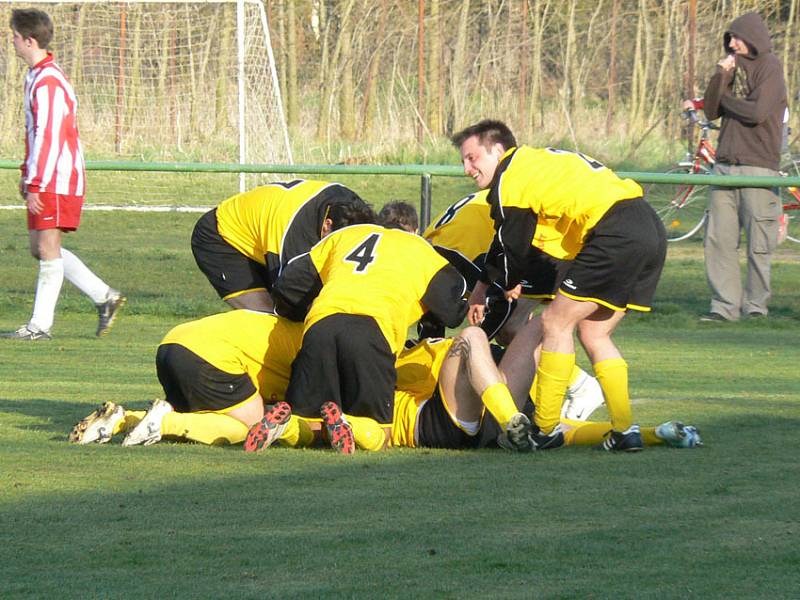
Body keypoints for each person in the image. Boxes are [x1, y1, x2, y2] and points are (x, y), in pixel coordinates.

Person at [453, 119, 666, 452]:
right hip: (647, 225)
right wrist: (486, 285)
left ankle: (545, 428)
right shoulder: (535, 164)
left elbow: (514, 244)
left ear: (498, 149)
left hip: (614, 230)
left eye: (472, 158)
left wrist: (507, 281)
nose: (467, 168)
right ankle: (625, 430)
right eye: (464, 161)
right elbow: (508, 239)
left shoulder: (513, 177)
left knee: (554, 322)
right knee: (594, 334)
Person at [259, 220, 470, 454]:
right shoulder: (419, 248)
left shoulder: (345, 235)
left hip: (321, 325)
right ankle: (349, 424)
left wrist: (300, 312)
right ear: (413, 230)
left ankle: (284, 428)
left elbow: (288, 286)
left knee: (310, 422)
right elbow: (453, 311)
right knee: (381, 434)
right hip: (372, 331)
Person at [3, 9, 124, 341]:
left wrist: (37, 182)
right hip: (46, 176)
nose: (10, 40)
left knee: (47, 247)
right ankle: (104, 296)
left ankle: (39, 326)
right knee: (39, 247)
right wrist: (27, 175)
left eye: (13, 35)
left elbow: (50, 136)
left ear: (29, 40)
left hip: (57, 178)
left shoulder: (49, 82)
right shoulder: (36, 77)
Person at [69, 310, 309, 447]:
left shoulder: (301, 327)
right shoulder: (314, 343)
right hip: (210, 354)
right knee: (252, 426)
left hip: (172, 342)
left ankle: (121, 419)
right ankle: (161, 424)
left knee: (200, 418)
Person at [688, 12, 787, 321]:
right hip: (725, 167)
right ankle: (724, 308)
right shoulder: (729, 68)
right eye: (729, 38)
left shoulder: (770, 68)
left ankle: (756, 307)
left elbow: (757, 112)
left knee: (759, 243)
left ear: (752, 38)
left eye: (736, 38)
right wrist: (720, 76)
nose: (731, 44)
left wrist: (726, 100)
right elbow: (713, 109)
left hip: (758, 167)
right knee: (718, 240)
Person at [191, 179, 373, 312]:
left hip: (267, 227)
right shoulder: (295, 239)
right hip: (222, 238)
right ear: (327, 226)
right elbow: (288, 297)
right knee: (268, 316)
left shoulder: (362, 214)